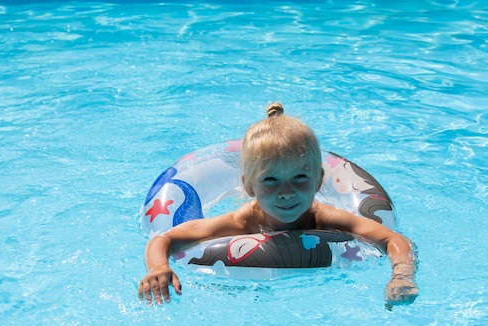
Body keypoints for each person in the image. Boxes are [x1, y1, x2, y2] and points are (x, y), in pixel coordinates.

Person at [139, 103, 418, 308]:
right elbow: (165, 239)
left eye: (299, 178)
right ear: (249, 186)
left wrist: (401, 276)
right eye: (271, 180)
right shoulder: (242, 222)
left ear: (319, 179)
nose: (286, 193)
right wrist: (157, 268)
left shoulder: (324, 217)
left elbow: (393, 239)